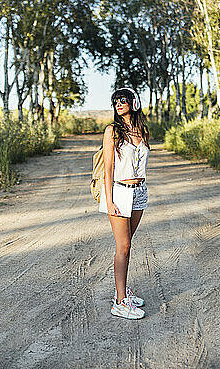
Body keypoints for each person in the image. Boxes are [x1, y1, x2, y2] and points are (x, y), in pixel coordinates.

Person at [98, 87, 150, 320]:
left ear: (134, 102)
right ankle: (120, 302)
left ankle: (123, 290)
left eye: (122, 100)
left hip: (139, 191)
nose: (118, 104)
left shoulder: (142, 131)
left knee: (127, 245)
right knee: (124, 246)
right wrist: (109, 201)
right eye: (115, 101)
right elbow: (108, 170)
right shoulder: (112, 131)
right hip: (119, 192)